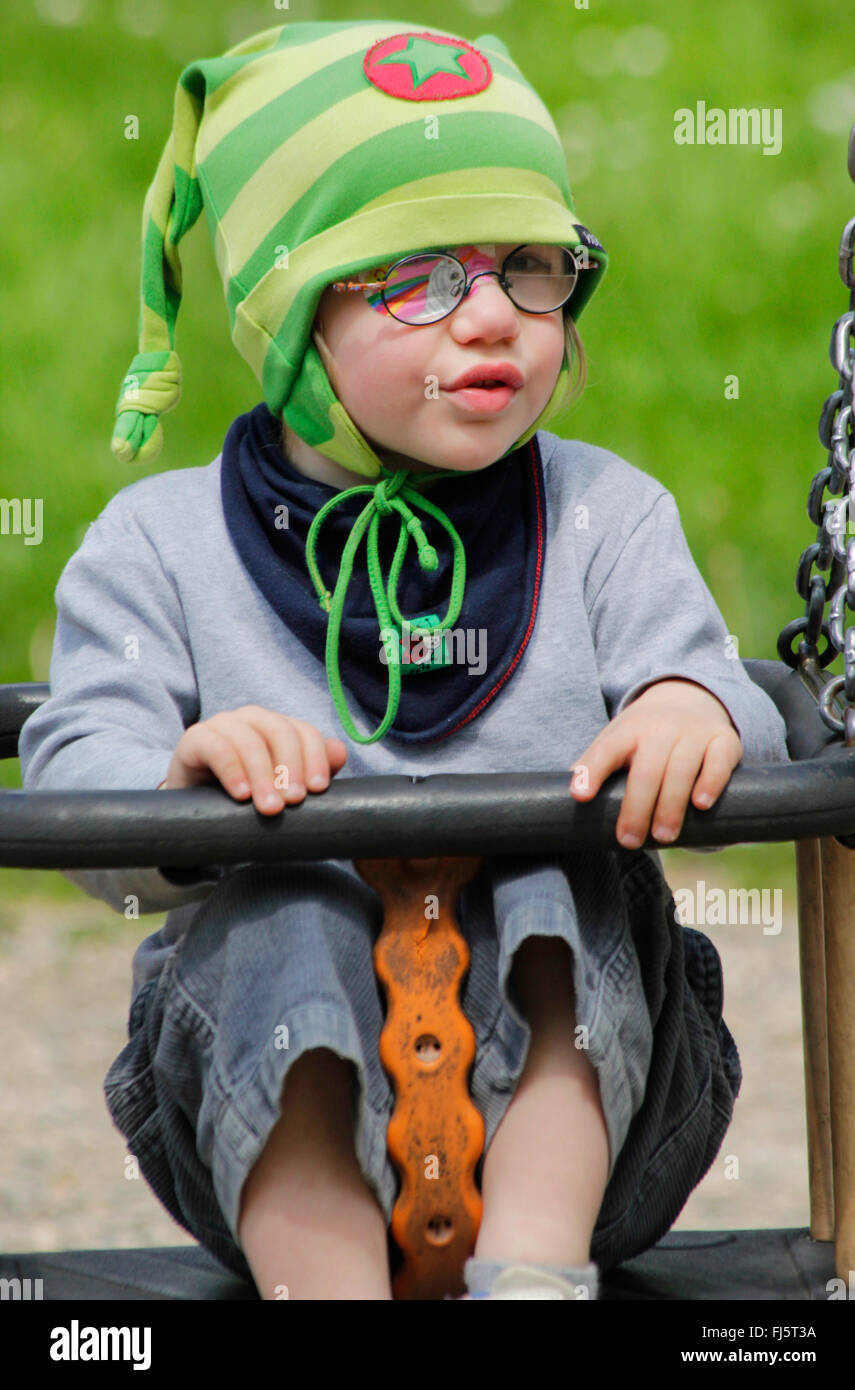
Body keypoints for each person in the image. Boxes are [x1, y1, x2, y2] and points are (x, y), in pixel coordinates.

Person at [18, 19, 790, 1301]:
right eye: (420, 277)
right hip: (256, 1130)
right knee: (280, 901)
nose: (492, 316)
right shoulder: (156, 545)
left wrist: (685, 707)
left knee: (564, 868)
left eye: (528, 267)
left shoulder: (608, 517)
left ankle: (533, 1281)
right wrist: (176, 775)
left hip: (609, 1123)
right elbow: (71, 790)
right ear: (287, 316)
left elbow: (736, 711)